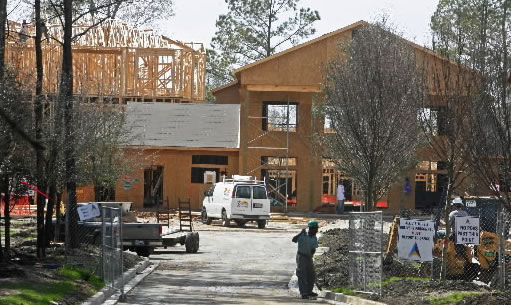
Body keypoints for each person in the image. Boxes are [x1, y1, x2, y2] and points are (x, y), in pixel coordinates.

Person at [292, 220, 319, 299]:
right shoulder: (303, 235)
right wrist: (300, 233)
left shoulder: (314, 237)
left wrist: (311, 254)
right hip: (301, 256)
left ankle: (309, 291)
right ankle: (304, 293)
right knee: (302, 274)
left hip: (309, 257)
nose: (317, 230)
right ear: (311, 228)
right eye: (316, 229)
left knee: (311, 274)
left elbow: (313, 248)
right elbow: (294, 240)